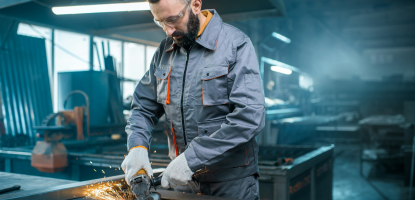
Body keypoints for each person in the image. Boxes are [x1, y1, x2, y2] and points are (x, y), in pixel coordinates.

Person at [121, 0, 265, 199]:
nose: (168, 31)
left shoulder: (235, 44)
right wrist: (137, 147)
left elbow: (250, 117)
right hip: (182, 182)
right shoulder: (165, 51)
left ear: (196, 5)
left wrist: (192, 159)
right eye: (160, 22)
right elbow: (143, 108)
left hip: (230, 184)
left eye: (172, 19)